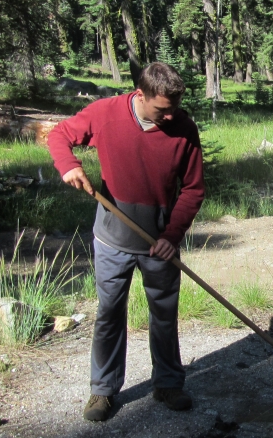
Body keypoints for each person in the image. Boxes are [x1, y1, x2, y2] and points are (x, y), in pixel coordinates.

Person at [48, 62, 205, 421]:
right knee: (109, 313)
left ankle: (168, 383)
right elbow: (59, 136)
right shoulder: (105, 113)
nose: (170, 116)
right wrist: (68, 164)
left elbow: (194, 189)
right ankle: (102, 391)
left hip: (159, 243)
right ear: (140, 95)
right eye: (162, 109)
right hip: (112, 238)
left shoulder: (184, 128)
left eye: (175, 108)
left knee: (164, 315)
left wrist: (171, 235)